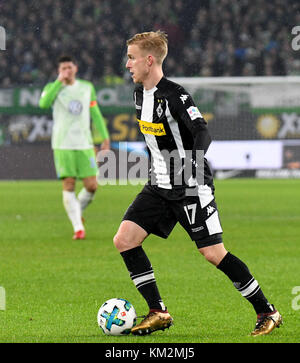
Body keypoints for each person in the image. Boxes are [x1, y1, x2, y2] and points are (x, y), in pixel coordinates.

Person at [113, 31, 282, 336]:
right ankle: (158, 312)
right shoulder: (139, 95)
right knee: (125, 239)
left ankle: (267, 311)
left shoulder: (176, 96)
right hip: (159, 184)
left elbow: (202, 132)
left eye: (132, 57)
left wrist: (189, 162)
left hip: (190, 184)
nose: (128, 64)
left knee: (213, 253)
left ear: (149, 60)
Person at [39, 55, 110, 240]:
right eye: (63, 68)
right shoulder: (52, 89)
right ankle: (78, 228)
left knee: (92, 186)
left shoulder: (87, 88)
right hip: (63, 144)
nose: (67, 71)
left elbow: (95, 113)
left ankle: (76, 211)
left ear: (75, 69)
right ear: (58, 71)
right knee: (69, 184)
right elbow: (43, 104)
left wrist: (105, 137)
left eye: (69, 67)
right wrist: (58, 82)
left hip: (84, 144)